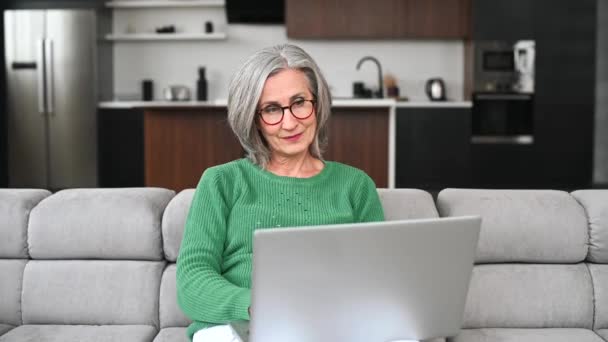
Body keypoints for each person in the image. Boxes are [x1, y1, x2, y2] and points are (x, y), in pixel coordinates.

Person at [176, 44, 385, 341]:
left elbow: (377, 278)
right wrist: (255, 306)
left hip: (332, 325)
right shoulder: (221, 182)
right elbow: (192, 281)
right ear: (253, 118)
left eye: (299, 102)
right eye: (272, 109)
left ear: (317, 103)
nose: (290, 123)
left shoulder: (356, 185)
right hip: (242, 328)